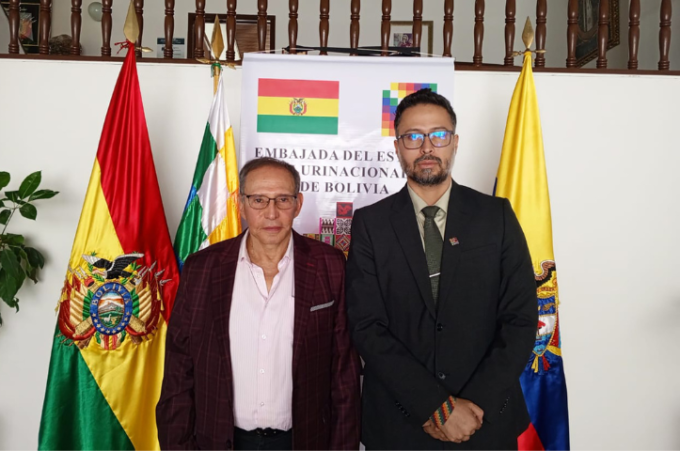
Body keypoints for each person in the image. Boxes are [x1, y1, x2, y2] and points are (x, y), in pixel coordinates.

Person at [346, 89, 538, 450]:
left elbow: (520, 319)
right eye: (413, 137)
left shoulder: (495, 217)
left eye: (438, 135)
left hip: (485, 420)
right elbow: (367, 326)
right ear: (398, 146)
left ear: (455, 142)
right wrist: (436, 408)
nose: (426, 148)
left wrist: (474, 405)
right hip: (401, 423)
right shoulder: (371, 224)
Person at [157, 157, 361, 450]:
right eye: (259, 200)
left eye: (283, 200)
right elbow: (178, 370)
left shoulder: (329, 265)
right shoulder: (203, 268)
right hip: (219, 441)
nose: (271, 212)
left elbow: (344, 374)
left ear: (298, 204)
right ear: (241, 205)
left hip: (303, 441)